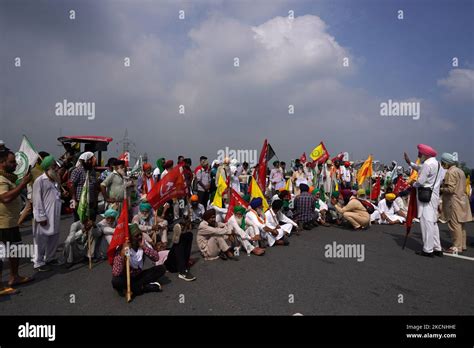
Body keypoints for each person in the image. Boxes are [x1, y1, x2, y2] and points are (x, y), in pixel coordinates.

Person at [0, 150, 33, 295]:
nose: (15, 164)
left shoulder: (9, 179)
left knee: (15, 251)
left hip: (11, 223)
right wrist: (22, 185)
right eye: (12, 162)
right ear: (2, 163)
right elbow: (5, 198)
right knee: (1, 256)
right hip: (3, 224)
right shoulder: (1, 179)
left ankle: (14, 277)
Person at [111, 223, 166, 297]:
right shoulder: (122, 248)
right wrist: (122, 255)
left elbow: (156, 258)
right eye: (137, 236)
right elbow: (116, 273)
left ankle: (133, 289)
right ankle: (144, 287)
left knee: (161, 268)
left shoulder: (142, 244)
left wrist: (144, 247)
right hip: (126, 278)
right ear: (130, 238)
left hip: (138, 276)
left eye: (140, 234)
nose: (140, 237)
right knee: (116, 281)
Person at [411, 144, 444, 257]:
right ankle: (437, 247)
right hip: (434, 195)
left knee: (426, 222)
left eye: (420, 153)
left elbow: (421, 180)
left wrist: (413, 184)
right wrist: (410, 163)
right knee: (433, 222)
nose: (419, 155)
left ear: (425, 154)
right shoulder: (438, 164)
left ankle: (428, 249)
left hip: (426, 196)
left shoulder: (427, 164)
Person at [32, 156, 62, 271]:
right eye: (54, 166)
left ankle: (50, 258)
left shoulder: (55, 180)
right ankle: (38, 262)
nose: (56, 168)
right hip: (44, 216)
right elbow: (37, 200)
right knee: (41, 239)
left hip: (55, 214)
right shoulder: (39, 181)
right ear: (48, 168)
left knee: (54, 236)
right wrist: (41, 217)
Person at [440, 152, 472, 254]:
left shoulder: (450, 172)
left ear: (446, 163)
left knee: (454, 225)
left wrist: (439, 188)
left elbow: (450, 189)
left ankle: (456, 247)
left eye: (442, 162)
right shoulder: (460, 170)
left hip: (454, 201)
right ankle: (462, 245)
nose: (441, 164)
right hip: (462, 200)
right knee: (461, 224)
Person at [70, 151, 98, 222]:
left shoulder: (93, 171)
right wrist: (74, 200)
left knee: (91, 221)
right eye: (92, 159)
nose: (94, 160)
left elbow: (95, 186)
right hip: (79, 201)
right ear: (87, 160)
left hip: (91, 201)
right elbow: (72, 185)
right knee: (79, 221)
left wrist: (95, 200)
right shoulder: (77, 171)